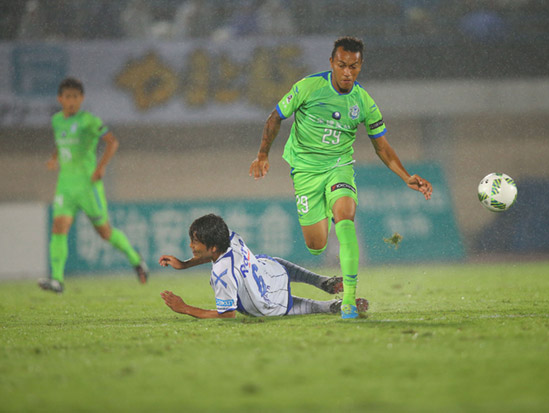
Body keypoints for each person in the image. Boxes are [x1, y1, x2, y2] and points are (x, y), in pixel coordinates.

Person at [249, 36, 432, 319]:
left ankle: (348, 301)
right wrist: (263, 155)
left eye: (354, 66)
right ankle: (325, 210)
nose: (347, 72)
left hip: (339, 167)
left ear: (361, 66)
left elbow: (382, 146)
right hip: (306, 171)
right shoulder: (308, 87)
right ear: (332, 63)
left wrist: (405, 176)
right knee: (316, 245)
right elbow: (275, 117)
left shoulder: (364, 101)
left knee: (345, 219)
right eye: (342, 65)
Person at [38, 77, 148, 293]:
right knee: (58, 227)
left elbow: (112, 142)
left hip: (88, 186)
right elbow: (62, 142)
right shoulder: (57, 121)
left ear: (81, 98)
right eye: (67, 97)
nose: (71, 101)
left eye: (75, 97)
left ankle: (136, 259)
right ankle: (57, 280)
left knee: (105, 233)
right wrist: (54, 158)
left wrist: (101, 167)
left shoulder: (88, 120)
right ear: (60, 99)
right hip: (65, 186)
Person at [159, 213, 368, 319]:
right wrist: (184, 264)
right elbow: (214, 254)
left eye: (195, 242)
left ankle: (327, 306)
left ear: (212, 246)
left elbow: (227, 315)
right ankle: (321, 281)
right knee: (273, 262)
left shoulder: (222, 274)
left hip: (267, 304)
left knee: (292, 305)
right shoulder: (229, 237)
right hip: (270, 273)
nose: (191, 246)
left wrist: (185, 308)